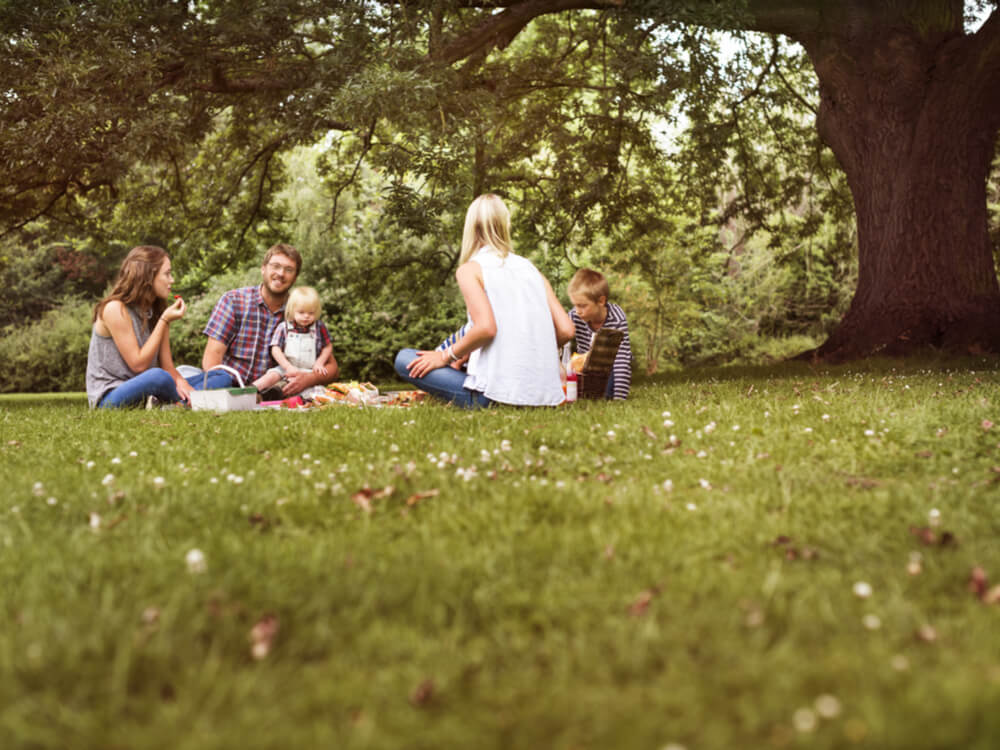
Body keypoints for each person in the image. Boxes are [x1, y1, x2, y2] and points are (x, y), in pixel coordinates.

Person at [394, 194, 575, 408]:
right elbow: (566, 329)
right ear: (505, 225)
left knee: (404, 358)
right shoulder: (531, 269)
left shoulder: (470, 270)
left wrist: (446, 356)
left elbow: (486, 328)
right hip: (545, 397)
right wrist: (530, 348)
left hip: (494, 397)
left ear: (470, 227)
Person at [190, 244, 338, 395]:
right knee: (198, 377)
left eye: (289, 270)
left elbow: (332, 367)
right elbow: (211, 363)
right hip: (230, 387)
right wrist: (227, 395)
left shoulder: (301, 310)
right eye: (276, 266)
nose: (281, 273)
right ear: (263, 269)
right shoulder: (233, 301)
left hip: (272, 392)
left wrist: (307, 379)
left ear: (295, 278)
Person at [86, 246, 194, 409]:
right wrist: (164, 321)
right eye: (167, 274)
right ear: (148, 276)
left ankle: (178, 401)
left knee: (220, 376)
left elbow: (168, 366)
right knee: (158, 377)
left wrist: (183, 383)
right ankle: (180, 403)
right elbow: (138, 365)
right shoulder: (115, 309)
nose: (171, 280)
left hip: (146, 389)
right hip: (110, 396)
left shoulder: (157, 311)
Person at [252, 286, 335, 398]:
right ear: (292, 310)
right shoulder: (284, 327)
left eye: (311, 313)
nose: (306, 316)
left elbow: (328, 346)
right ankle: (251, 389)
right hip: (286, 367)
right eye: (301, 312)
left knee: (309, 390)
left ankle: (272, 394)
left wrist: (319, 362)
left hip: (308, 370)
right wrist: (287, 367)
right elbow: (275, 349)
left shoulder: (319, 327)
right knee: (272, 375)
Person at [566, 267, 633, 400]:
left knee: (607, 392)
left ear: (601, 301)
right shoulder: (574, 316)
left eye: (583, 306)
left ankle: (609, 394)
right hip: (585, 368)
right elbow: (563, 342)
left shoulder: (616, 318)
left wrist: (619, 397)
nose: (578, 311)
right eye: (575, 305)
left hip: (609, 366)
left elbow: (621, 360)